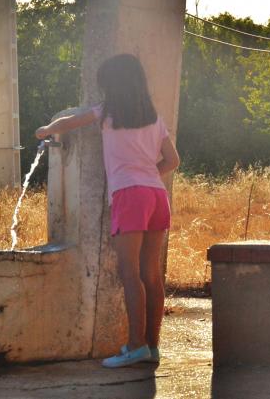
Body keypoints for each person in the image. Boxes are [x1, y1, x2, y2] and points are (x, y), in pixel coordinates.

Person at [35, 53, 180, 368]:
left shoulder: (106, 113)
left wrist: (46, 129)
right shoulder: (154, 118)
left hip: (129, 196)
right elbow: (173, 161)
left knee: (130, 272)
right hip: (156, 195)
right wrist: (147, 174)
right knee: (151, 273)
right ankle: (152, 347)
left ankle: (135, 346)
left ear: (113, 85)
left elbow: (69, 122)